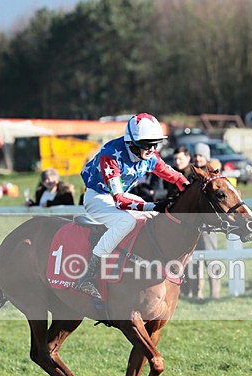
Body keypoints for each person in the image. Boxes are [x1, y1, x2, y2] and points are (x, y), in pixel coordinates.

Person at [75, 113, 189, 299]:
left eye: (156, 144)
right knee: (126, 222)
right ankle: (86, 276)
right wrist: (154, 205)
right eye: (147, 144)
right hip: (97, 196)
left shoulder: (150, 155)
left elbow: (174, 176)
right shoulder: (110, 156)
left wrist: (190, 189)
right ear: (132, 143)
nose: (152, 149)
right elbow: (119, 200)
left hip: (115, 195)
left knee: (152, 218)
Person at [183, 142, 221, 300]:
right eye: (196, 155)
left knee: (210, 258)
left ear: (207, 157)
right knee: (192, 260)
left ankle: (215, 292)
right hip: (192, 225)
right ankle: (196, 291)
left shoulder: (213, 174)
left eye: (201, 155)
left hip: (208, 225)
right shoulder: (190, 174)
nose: (198, 158)